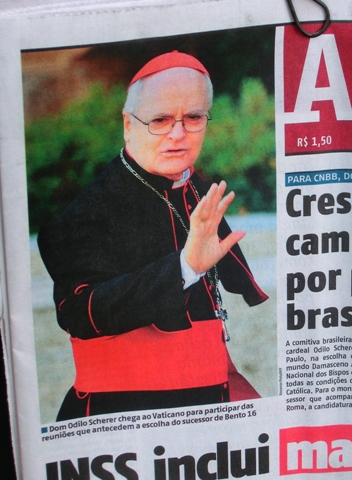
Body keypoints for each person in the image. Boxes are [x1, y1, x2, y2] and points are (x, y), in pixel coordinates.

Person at [37, 51, 269, 420]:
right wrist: (184, 267)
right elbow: (79, 314)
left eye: (194, 117)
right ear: (128, 125)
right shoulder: (86, 212)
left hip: (211, 398)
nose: (178, 135)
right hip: (124, 413)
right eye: (160, 120)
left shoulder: (195, 192)